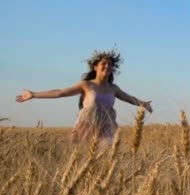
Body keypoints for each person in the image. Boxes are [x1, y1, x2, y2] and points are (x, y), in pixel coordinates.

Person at [15, 49, 153, 145]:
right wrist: (33, 94)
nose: (107, 66)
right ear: (95, 67)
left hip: (106, 128)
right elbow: (60, 92)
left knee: (105, 159)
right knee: (78, 157)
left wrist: (143, 104)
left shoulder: (113, 88)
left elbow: (129, 98)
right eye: (104, 63)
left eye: (110, 64)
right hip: (85, 126)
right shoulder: (86, 85)